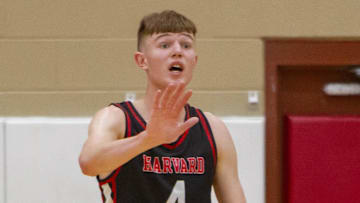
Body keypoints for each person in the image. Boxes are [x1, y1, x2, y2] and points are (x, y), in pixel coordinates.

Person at [79, 10, 246, 203]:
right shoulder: (116, 118)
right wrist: (148, 139)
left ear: (194, 60)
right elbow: (88, 163)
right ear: (142, 61)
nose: (178, 51)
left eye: (186, 45)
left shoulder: (213, 129)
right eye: (165, 44)